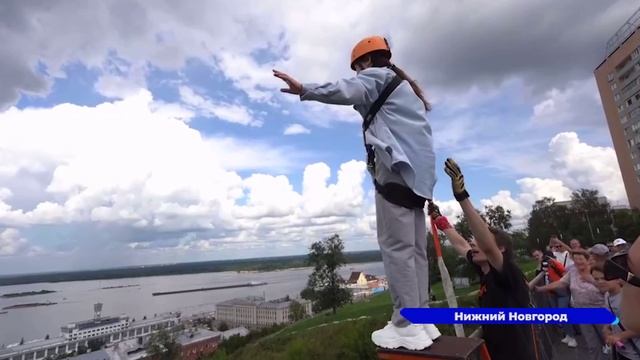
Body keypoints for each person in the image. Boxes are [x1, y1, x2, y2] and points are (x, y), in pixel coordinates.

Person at [274, 35, 438, 350]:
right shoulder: (406, 91)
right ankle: (422, 319)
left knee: (396, 249)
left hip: (395, 174)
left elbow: (349, 90)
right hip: (418, 180)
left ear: (365, 62)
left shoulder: (375, 77)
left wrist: (306, 90)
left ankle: (406, 325)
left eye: (358, 68)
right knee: (416, 250)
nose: (358, 73)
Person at [429, 158, 536, 360]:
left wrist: (461, 196)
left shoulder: (508, 273)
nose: (473, 244)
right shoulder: (484, 269)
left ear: (501, 249)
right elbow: (461, 244)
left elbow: (487, 244)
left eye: (479, 242)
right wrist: (440, 221)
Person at [536, 250, 605, 357]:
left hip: (599, 310)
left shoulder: (596, 272)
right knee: (592, 344)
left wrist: (591, 280)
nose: (578, 262)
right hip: (581, 311)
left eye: (581, 259)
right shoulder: (572, 272)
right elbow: (560, 283)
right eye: (575, 259)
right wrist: (540, 289)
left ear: (587, 260)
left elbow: (607, 288)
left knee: (608, 340)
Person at [592, 267, 640, 360]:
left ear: (618, 279)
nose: (600, 282)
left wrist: (620, 336)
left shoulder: (629, 297)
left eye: (605, 278)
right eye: (596, 279)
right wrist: (607, 328)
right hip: (622, 351)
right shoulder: (607, 295)